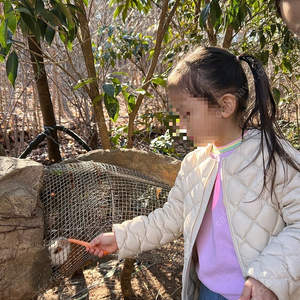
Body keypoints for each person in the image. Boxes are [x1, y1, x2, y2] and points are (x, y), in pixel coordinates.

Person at [86, 46, 300, 300]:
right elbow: (172, 217)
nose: (181, 124)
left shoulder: (273, 155)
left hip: (259, 293)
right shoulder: (194, 164)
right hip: (207, 291)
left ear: (226, 106)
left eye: (187, 113)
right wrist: (122, 237)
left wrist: (267, 278)